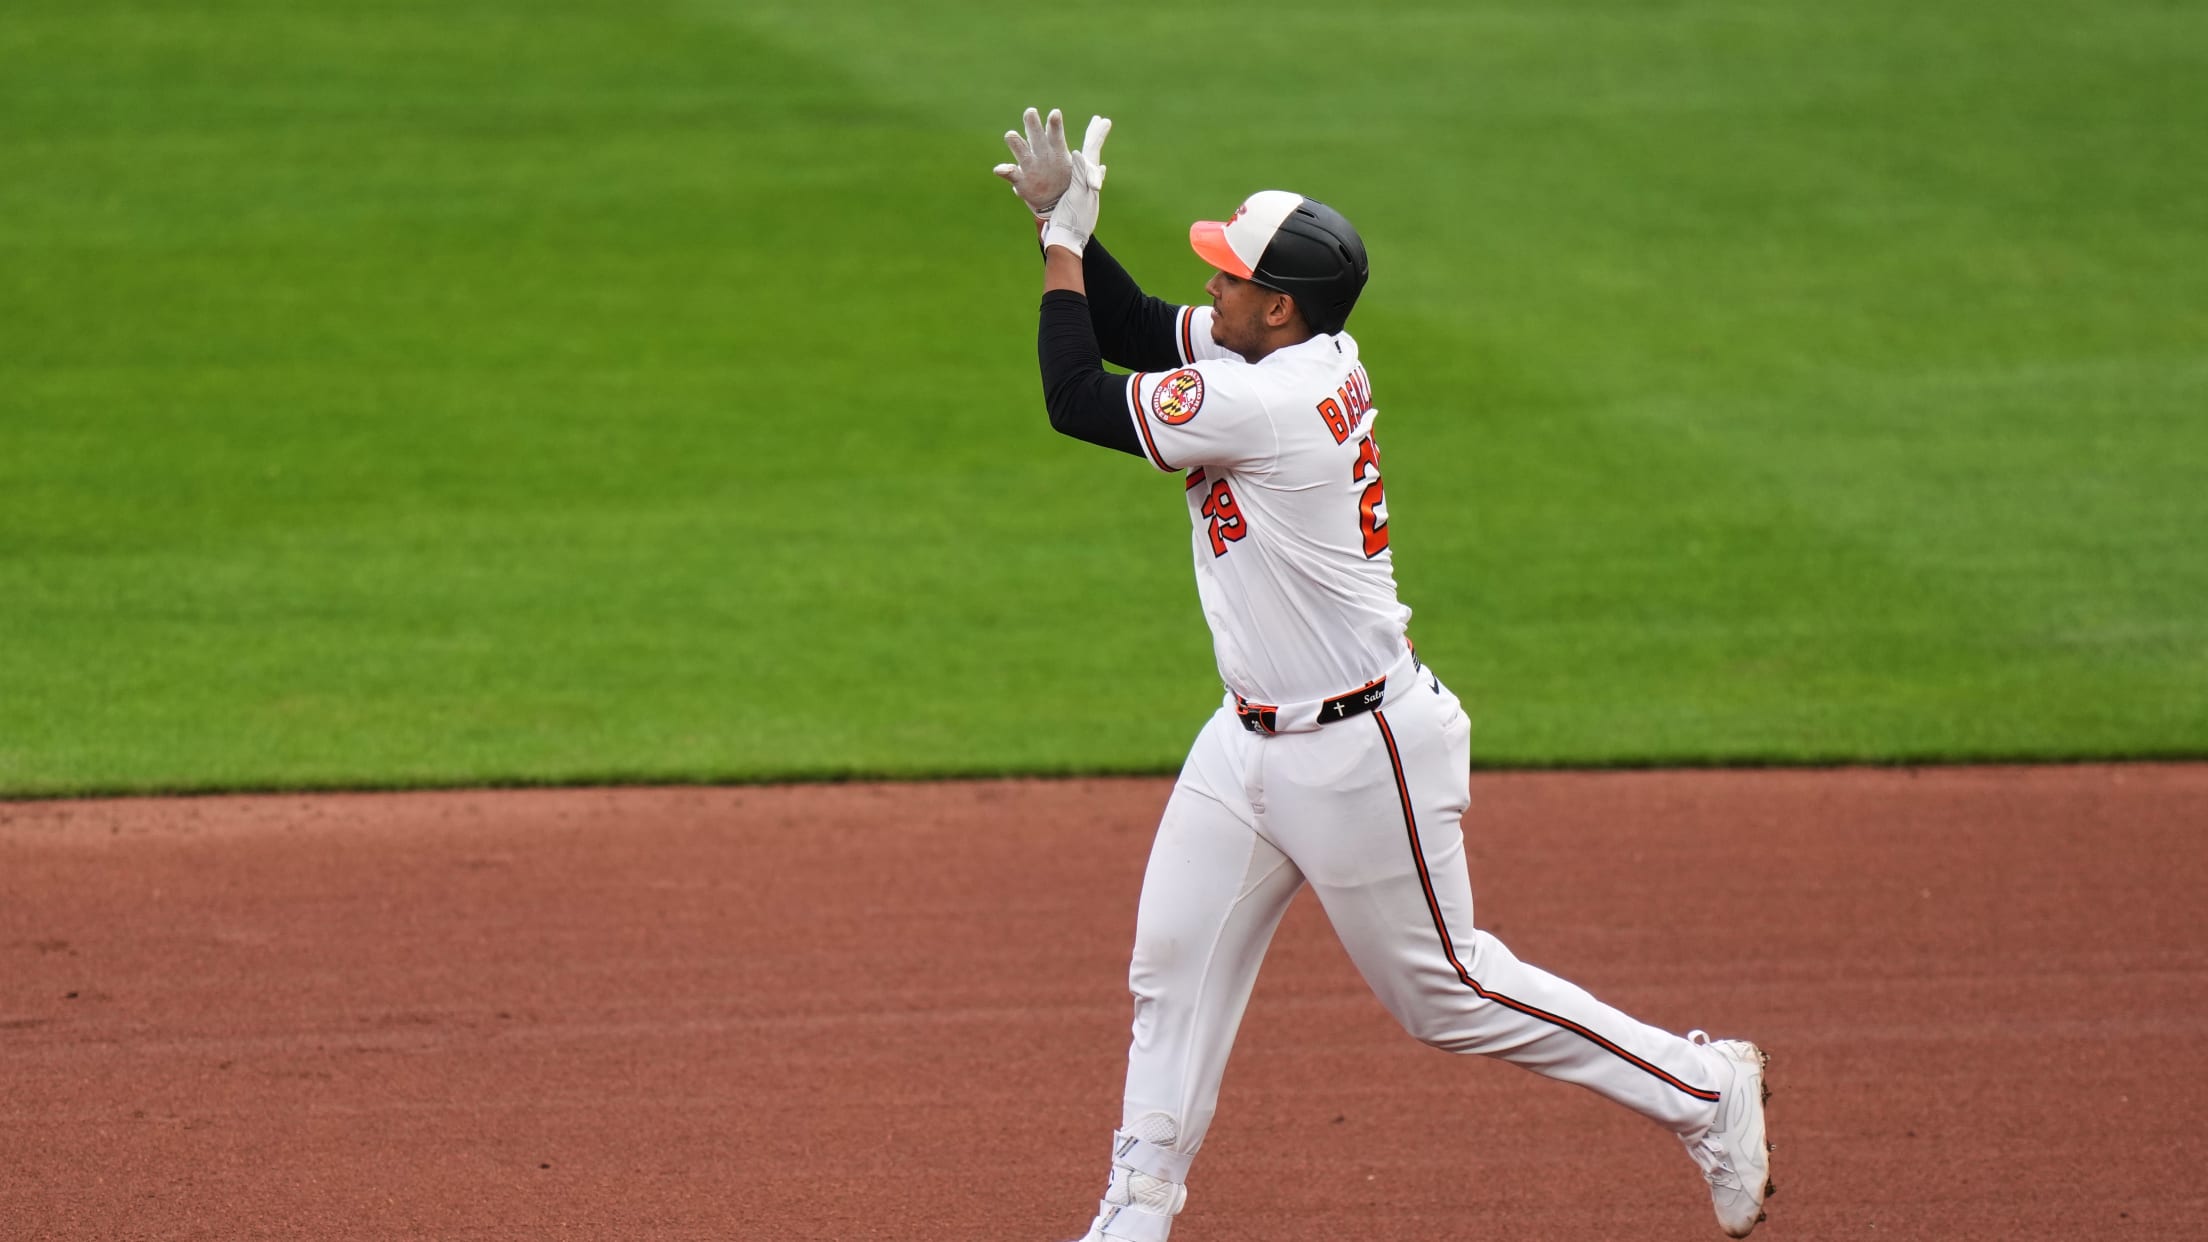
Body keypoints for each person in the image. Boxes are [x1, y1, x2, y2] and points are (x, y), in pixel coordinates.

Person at [994, 107, 1775, 1241]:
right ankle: (1138, 1208)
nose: (1206, 291)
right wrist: (1056, 224)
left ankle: (1704, 1089)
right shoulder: (1292, 352)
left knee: (1449, 994)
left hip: (1362, 750)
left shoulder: (1267, 399)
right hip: (1246, 741)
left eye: (1229, 279)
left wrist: (1066, 238)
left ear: (1280, 307)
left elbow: (1074, 392)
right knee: (1171, 968)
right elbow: (1133, 321)